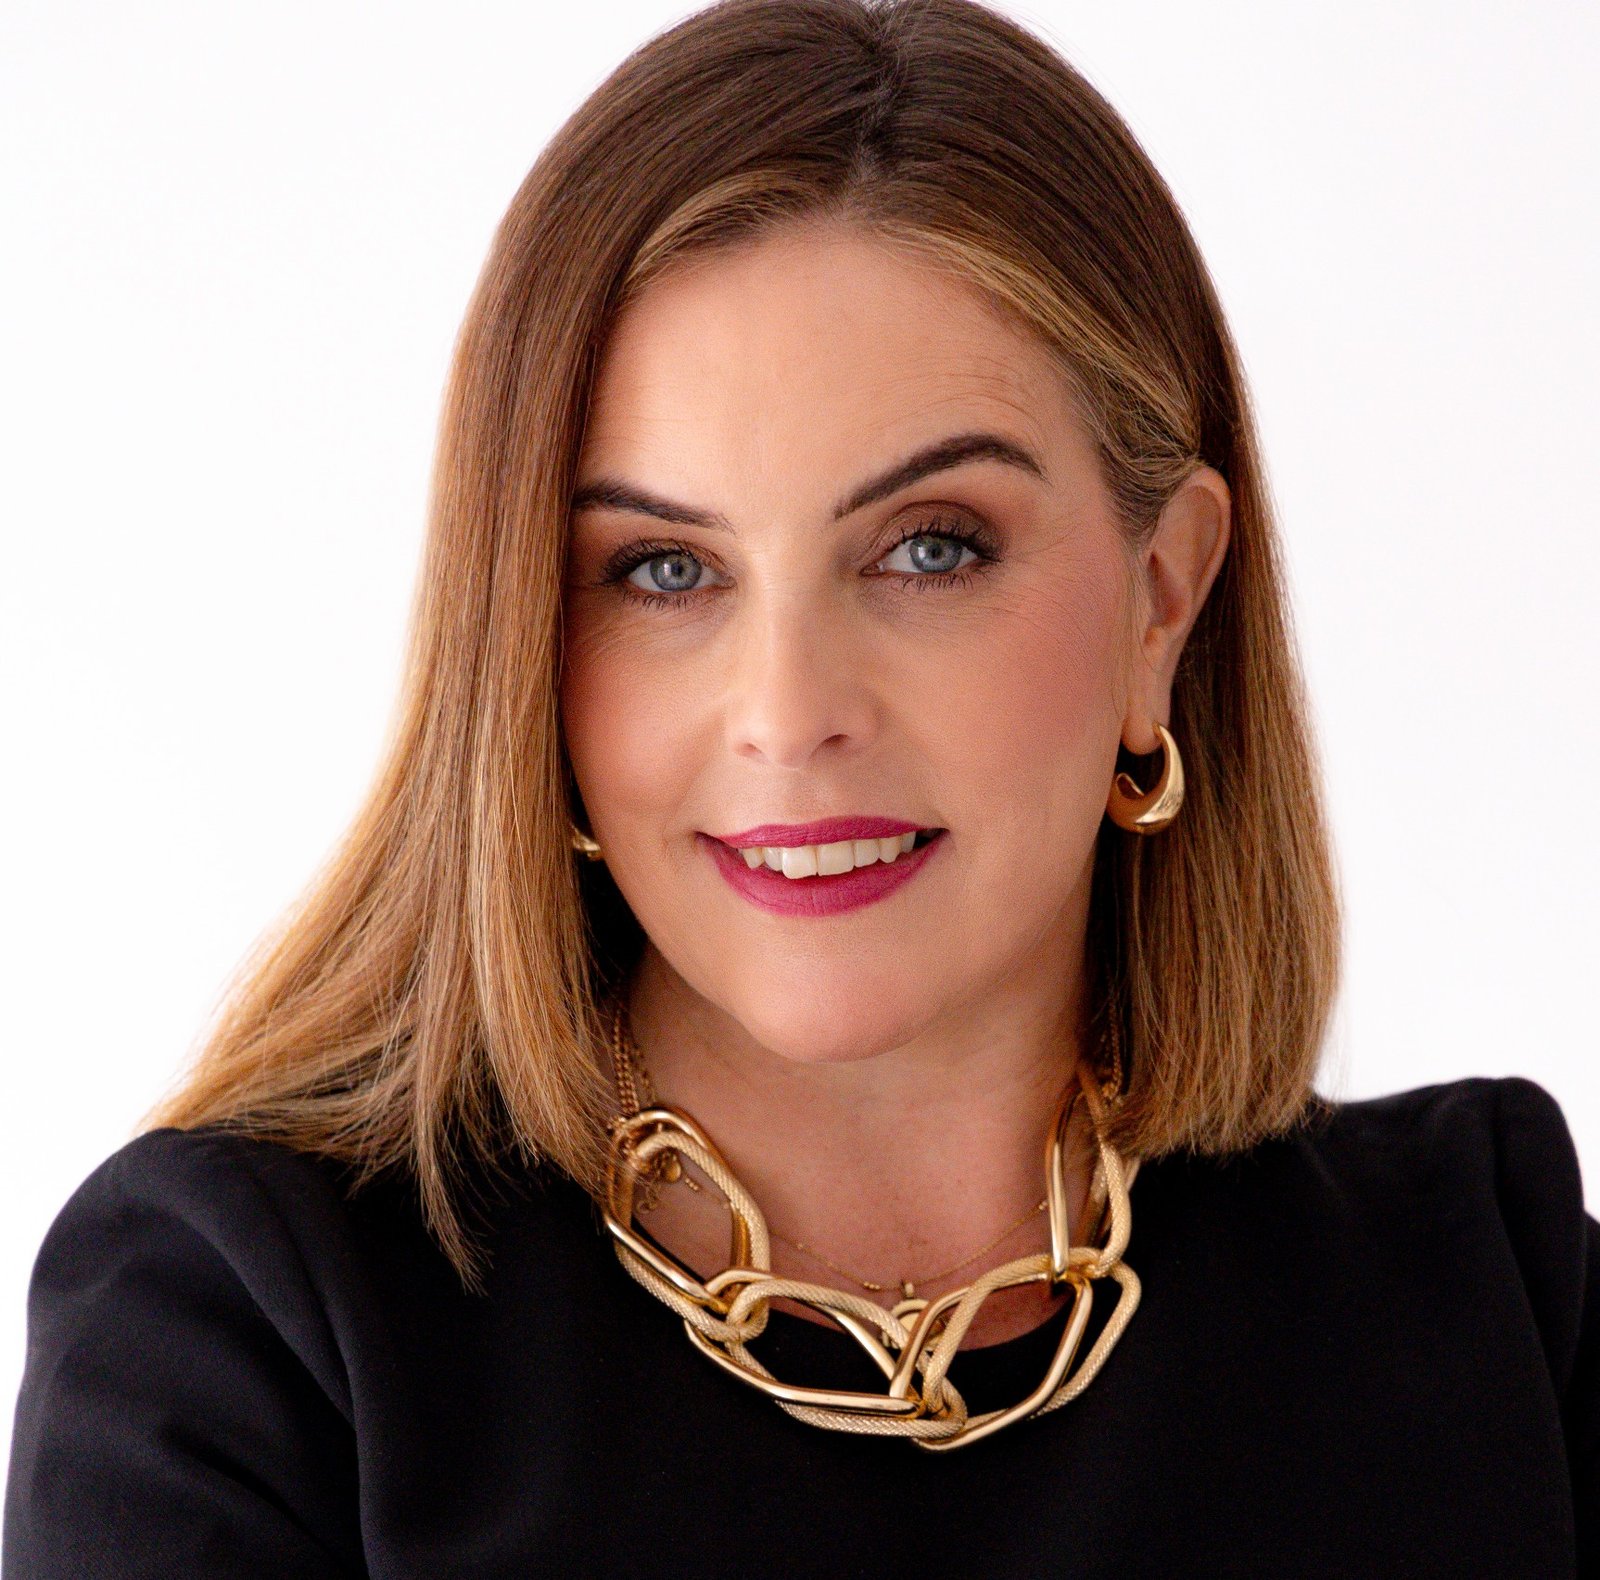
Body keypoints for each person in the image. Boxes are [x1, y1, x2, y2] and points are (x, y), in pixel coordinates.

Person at [5, 0, 1595, 1573]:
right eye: (663, 568)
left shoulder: (1495, 1301)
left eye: (929, 548)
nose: (786, 715)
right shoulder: (250, 1339)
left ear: (1161, 603)